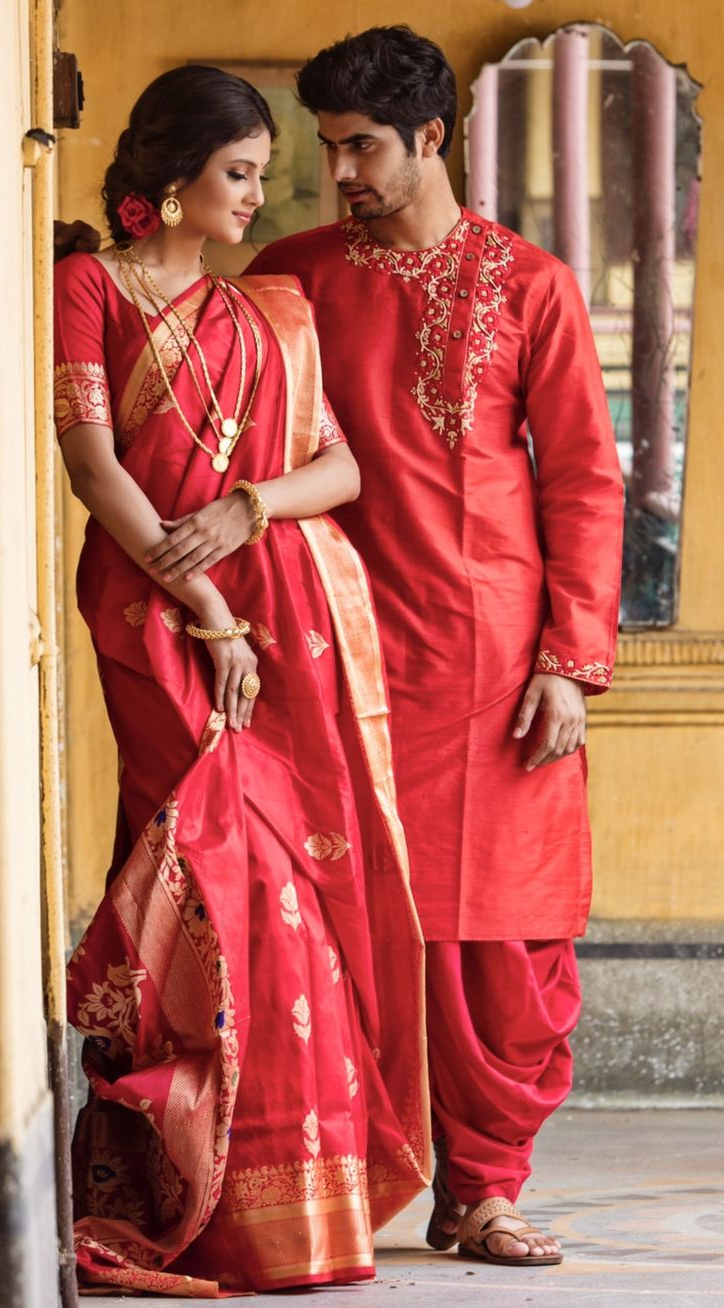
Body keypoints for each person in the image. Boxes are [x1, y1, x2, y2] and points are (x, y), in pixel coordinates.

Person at [233, 26, 622, 1267]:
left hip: (500, 661)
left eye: (359, 149)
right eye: (326, 148)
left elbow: (582, 481)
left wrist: (570, 658)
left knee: (506, 945)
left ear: (431, 139)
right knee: (343, 925)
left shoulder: (531, 285)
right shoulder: (286, 280)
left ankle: (485, 1190)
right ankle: (339, 1186)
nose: (338, 172)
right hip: (335, 649)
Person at [54, 64, 430, 1297]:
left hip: (272, 613)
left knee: (291, 891)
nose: (260, 198)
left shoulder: (271, 311)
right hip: (155, 614)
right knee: (213, 879)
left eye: (266, 175)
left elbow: (345, 472)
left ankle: (287, 1203)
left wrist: (245, 508)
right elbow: (96, 468)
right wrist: (204, 603)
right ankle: (197, 1199)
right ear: (170, 179)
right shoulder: (86, 290)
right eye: (241, 173)